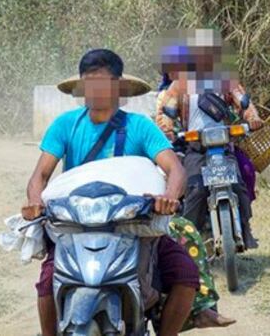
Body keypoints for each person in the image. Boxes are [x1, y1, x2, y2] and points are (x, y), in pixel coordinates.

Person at [24, 49, 198, 336]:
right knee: (46, 282)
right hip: (76, 227)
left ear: (118, 86)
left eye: (102, 83)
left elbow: (175, 169)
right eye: (89, 83)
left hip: (132, 225)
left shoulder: (140, 126)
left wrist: (169, 197)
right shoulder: (65, 125)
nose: (95, 90)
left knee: (185, 273)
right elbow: (39, 176)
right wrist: (34, 203)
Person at [156, 33, 263, 250]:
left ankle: (244, 228)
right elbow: (167, 109)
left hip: (224, 144)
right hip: (196, 146)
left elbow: (242, 100)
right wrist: (166, 128)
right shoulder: (181, 84)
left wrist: (253, 118)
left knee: (240, 186)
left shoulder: (226, 80)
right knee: (194, 189)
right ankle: (186, 242)